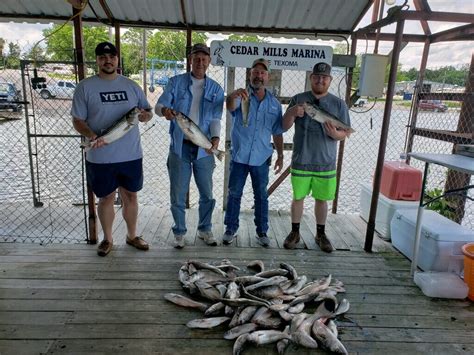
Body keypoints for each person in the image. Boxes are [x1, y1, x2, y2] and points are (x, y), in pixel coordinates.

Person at [72, 41, 153, 257]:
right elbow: (77, 120)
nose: (107, 60)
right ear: (97, 60)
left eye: (112, 57)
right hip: (99, 156)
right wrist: (91, 136)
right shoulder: (85, 87)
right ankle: (107, 239)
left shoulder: (132, 85)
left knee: (131, 196)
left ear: (117, 59)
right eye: (102, 57)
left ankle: (132, 235)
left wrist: (145, 115)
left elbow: (147, 112)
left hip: (131, 155)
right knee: (105, 198)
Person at [155, 43, 224, 249]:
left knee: (207, 192)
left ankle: (205, 229)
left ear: (209, 61)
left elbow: (215, 119)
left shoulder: (216, 88)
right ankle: (179, 232)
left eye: (204, 58)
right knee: (177, 192)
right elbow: (159, 106)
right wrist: (164, 111)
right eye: (196, 58)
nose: (200, 62)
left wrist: (215, 139)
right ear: (190, 60)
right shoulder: (175, 82)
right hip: (179, 147)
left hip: (204, 149)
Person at [282, 62, 351, 253]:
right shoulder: (298, 99)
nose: (320, 80)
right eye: (317, 77)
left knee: (322, 199)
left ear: (329, 80)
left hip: (326, 162)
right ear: (311, 78)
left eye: (324, 77)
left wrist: (336, 135)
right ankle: (294, 232)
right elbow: (284, 125)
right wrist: (292, 112)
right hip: (301, 160)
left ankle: (321, 234)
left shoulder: (339, 104)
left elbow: (345, 132)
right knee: (298, 197)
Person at [223, 58, 284, 247]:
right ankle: (230, 229)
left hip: (261, 158)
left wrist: (281, 155)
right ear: (250, 75)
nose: (259, 75)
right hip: (240, 156)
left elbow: (277, 132)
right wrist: (232, 95)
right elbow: (230, 106)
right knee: (234, 193)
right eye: (255, 72)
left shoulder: (275, 104)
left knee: (261, 195)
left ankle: (262, 231)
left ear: (268, 77)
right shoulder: (240, 97)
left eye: (262, 73)